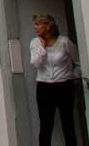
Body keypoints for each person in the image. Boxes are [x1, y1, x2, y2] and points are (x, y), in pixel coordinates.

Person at [30, 13, 79, 145]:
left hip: (64, 86)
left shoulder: (64, 42)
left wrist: (72, 76)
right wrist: (42, 47)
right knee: (46, 124)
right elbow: (35, 63)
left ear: (48, 26)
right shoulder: (35, 43)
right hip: (44, 86)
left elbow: (77, 61)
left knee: (67, 122)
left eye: (38, 24)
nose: (35, 27)